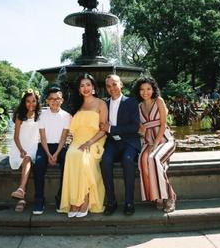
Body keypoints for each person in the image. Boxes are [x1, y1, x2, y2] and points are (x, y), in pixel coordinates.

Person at [60, 74, 108, 218]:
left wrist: (89, 143)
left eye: (88, 85)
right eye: (82, 86)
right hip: (77, 141)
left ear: (93, 87)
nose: (85, 88)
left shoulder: (101, 104)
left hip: (95, 140)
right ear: (79, 89)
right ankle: (74, 201)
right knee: (71, 155)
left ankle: (85, 199)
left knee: (83, 158)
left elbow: (103, 129)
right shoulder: (76, 105)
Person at [134, 77, 177, 213]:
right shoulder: (138, 106)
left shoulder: (159, 101)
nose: (145, 92)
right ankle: (157, 197)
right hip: (148, 141)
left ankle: (170, 197)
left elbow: (163, 124)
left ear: (153, 89)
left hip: (164, 140)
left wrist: (156, 143)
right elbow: (140, 129)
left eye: (148, 89)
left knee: (153, 159)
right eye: (142, 89)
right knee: (142, 160)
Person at [100, 74, 141, 216]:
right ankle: (111, 201)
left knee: (128, 160)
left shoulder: (131, 102)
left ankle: (129, 202)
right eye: (108, 86)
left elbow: (135, 127)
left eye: (114, 84)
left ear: (121, 84)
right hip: (112, 142)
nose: (112, 88)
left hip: (129, 141)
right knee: (105, 160)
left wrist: (111, 129)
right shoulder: (104, 103)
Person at [32, 87, 71, 215]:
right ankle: (39, 199)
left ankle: (61, 197)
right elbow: (42, 137)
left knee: (68, 163)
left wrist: (56, 154)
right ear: (47, 101)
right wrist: (49, 154)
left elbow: (64, 138)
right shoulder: (42, 114)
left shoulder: (67, 116)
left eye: (57, 99)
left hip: (60, 146)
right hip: (44, 146)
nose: (55, 101)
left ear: (62, 100)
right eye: (52, 99)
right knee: (38, 164)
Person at [9, 89, 41, 212]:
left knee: (27, 158)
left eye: (33, 101)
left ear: (37, 102)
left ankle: (21, 193)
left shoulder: (40, 116)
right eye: (28, 101)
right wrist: (21, 149)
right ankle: (21, 193)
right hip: (19, 146)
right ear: (24, 102)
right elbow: (16, 137)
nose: (31, 104)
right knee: (25, 158)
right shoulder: (20, 116)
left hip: (33, 147)